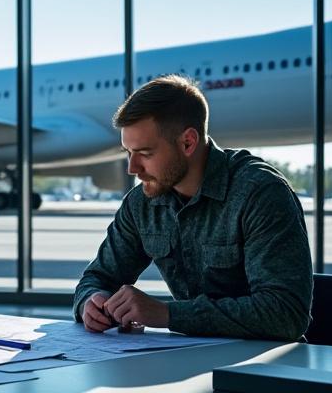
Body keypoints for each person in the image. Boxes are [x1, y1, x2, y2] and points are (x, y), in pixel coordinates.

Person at [73, 74, 312, 340]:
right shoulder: (142, 203)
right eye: (128, 153)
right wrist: (91, 302)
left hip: (266, 367)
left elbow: (285, 314)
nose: (132, 169)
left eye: (145, 153)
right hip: (189, 356)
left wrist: (167, 314)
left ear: (188, 142)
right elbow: (97, 277)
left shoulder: (259, 193)